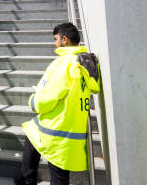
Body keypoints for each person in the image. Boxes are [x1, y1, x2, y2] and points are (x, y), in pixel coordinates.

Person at [16, 23, 100, 185]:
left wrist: (33, 101)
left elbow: (46, 99)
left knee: (35, 150)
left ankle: (27, 180)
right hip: (70, 131)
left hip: (54, 129)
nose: (54, 44)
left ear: (65, 40)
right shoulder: (86, 62)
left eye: (56, 39)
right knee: (58, 176)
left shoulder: (64, 63)